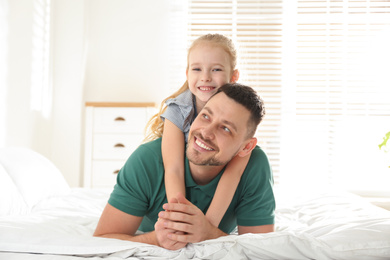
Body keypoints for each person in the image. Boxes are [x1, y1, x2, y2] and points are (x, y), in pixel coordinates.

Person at [94, 83, 275, 250]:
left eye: (225, 128)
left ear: (246, 147)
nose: (206, 132)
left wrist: (209, 234)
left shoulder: (254, 166)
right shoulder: (147, 160)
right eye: (205, 116)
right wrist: (155, 239)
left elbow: (261, 250)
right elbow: (103, 239)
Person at [144, 33, 248, 227]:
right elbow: (174, 169)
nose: (205, 77)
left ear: (234, 76)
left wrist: (208, 227)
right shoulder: (177, 110)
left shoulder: (242, 114)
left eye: (216, 69)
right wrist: (179, 219)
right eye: (197, 69)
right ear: (187, 73)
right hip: (172, 191)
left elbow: (233, 174)